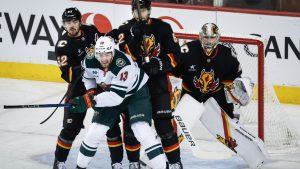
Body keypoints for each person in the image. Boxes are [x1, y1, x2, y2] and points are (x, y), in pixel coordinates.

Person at [71, 36, 167, 169]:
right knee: (95, 131)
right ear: (96, 53)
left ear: (113, 52)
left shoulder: (123, 64)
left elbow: (116, 97)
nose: (104, 59)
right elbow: (88, 77)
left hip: (135, 94)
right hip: (111, 94)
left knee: (141, 130)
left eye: (107, 54)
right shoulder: (89, 60)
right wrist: (91, 91)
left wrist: (91, 101)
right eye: (100, 54)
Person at [54, 7, 126, 169]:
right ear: (63, 25)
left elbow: (103, 42)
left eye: (74, 21)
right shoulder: (62, 45)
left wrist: (113, 35)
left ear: (80, 21)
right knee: (70, 128)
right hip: (79, 87)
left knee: (111, 125)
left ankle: (117, 163)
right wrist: (83, 67)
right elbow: (67, 74)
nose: (71, 25)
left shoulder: (91, 30)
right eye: (67, 22)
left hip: (100, 84)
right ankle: (59, 163)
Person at [114, 0, 183, 168]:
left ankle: (175, 163)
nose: (140, 14)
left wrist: (158, 64)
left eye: (143, 10)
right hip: (135, 86)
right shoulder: (125, 29)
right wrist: (133, 38)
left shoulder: (163, 27)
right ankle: (133, 163)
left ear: (149, 10)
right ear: (132, 12)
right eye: (137, 11)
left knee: (164, 126)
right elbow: (122, 57)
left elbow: (176, 55)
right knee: (132, 127)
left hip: (158, 84)